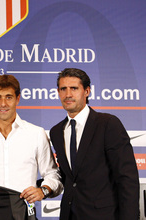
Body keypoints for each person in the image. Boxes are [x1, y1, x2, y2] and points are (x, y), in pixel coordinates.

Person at [50, 68, 139, 220]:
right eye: (63, 89)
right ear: (58, 92)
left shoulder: (108, 124)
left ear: (87, 91)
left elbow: (127, 178)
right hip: (69, 215)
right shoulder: (56, 131)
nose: (68, 94)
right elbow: (68, 177)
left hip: (104, 215)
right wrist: (39, 187)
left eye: (74, 88)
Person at [0, 75, 63, 204]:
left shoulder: (36, 133)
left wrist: (43, 190)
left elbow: (52, 174)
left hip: (24, 212)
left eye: (8, 97)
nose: (3, 104)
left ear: (18, 99)